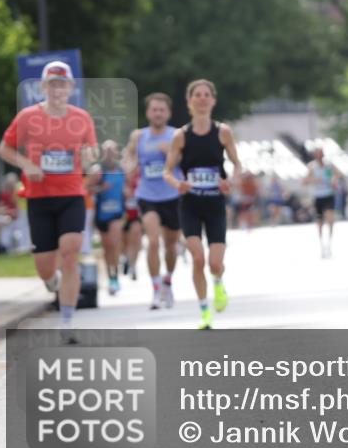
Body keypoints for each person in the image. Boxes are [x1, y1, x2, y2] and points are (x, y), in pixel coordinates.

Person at [0, 61, 99, 342]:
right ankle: (50, 282)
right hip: (39, 198)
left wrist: (94, 156)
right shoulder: (28, 117)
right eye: (52, 84)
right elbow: (4, 149)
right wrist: (26, 164)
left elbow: (91, 151)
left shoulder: (82, 118)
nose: (57, 89)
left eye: (62, 83)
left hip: (71, 195)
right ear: (43, 87)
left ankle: (67, 322)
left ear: (70, 87)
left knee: (70, 252)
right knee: (45, 265)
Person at [163, 79, 241, 329]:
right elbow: (167, 172)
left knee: (215, 263)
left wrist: (231, 182)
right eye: (197, 95)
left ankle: (218, 283)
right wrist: (179, 185)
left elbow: (237, 164)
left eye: (207, 94)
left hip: (215, 204)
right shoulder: (180, 136)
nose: (202, 98)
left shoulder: (223, 132)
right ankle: (205, 311)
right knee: (198, 259)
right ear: (189, 102)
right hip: (191, 205)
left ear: (213, 101)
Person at [123, 93, 183, 308]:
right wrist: (129, 167)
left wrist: (172, 155)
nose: (158, 113)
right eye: (154, 109)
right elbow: (128, 156)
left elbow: (188, 161)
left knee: (171, 244)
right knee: (153, 241)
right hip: (147, 195)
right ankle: (156, 288)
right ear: (148, 112)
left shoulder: (176, 135)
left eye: (162, 110)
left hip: (172, 195)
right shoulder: (138, 136)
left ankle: (168, 281)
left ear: (168, 113)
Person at [89, 140, 126, 296]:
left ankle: (115, 274)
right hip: (101, 214)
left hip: (117, 213)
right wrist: (100, 188)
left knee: (114, 242)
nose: (109, 154)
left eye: (112, 150)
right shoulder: (97, 170)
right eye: (106, 150)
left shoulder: (122, 170)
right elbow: (88, 190)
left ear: (117, 152)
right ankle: (110, 275)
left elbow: (128, 187)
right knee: (106, 247)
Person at [304, 148, 338, 258]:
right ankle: (322, 243)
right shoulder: (312, 166)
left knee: (330, 218)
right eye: (317, 154)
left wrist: (333, 180)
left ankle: (330, 242)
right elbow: (304, 181)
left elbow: (337, 174)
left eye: (321, 154)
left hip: (329, 194)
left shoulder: (328, 165)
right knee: (319, 222)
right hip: (318, 196)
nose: (319, 156)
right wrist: (314, 180)